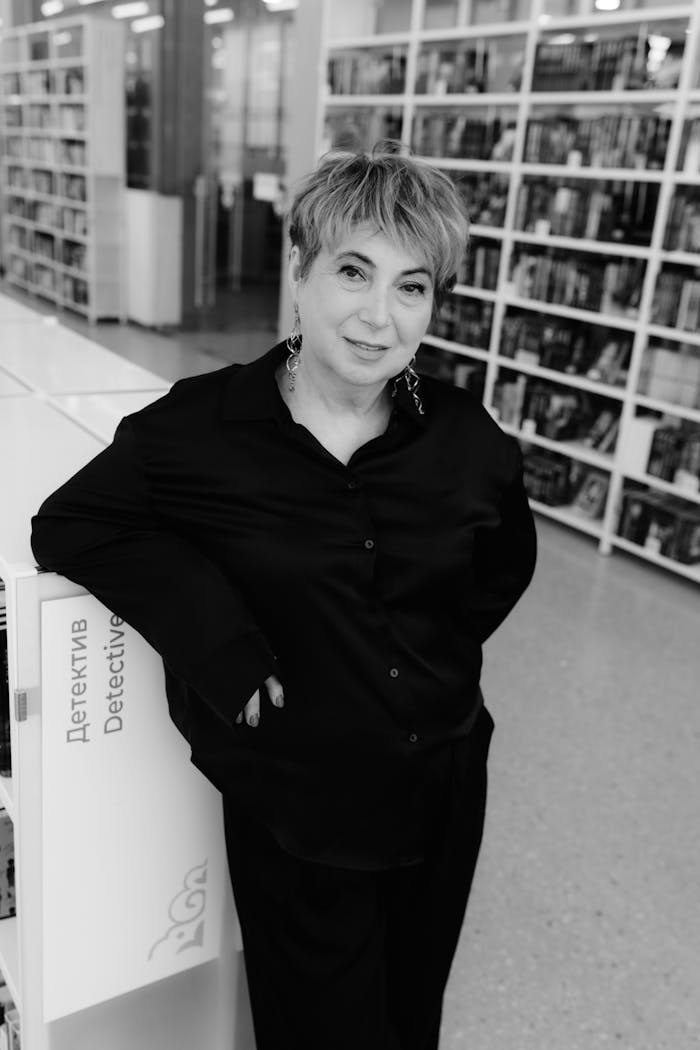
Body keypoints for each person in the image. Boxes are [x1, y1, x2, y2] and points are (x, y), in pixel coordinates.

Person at [30, 147, 537, 1050]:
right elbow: (73, 526)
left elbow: (500, 567)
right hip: (298, 808)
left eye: (411, 287)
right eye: (354, 271)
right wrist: (214, 637)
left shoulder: (467, 438)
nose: (379, 317)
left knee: (412, 1012)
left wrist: (424, 660)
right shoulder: (200, 430)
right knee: (316, 1029)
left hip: (442, 782)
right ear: (299, 271)